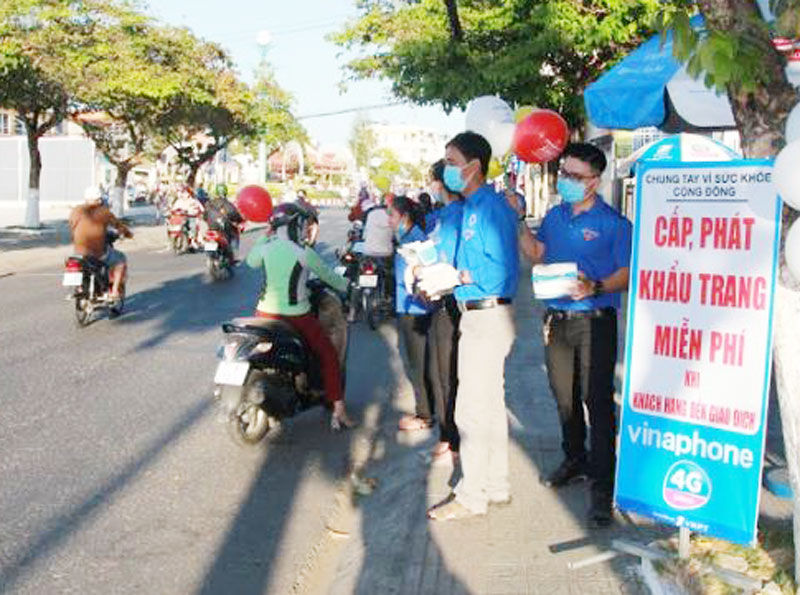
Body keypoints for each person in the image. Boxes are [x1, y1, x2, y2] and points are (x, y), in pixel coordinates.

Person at [514, 142, 632, 527]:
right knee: (564, 397)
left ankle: (603, 484)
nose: (565, 181)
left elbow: (628, 273)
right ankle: (575, 459)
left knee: (596, 401)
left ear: (595, 181)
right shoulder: (555, 215)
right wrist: (518, 221)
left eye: (574, 176)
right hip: (558, 320)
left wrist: (595, 287)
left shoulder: (614, 224)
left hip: (595, 320)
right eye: (563, 173)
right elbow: (537, 252)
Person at [426, 132, 519, 521]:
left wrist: (456, 276)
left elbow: (496, 268)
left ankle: (472, 495)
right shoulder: (473, 207)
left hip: (486, 314)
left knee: (471, 411)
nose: (446, 169)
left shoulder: (487, 208)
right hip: (480, 314)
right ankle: (495, 485)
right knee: (490, 407)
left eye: (450, 161)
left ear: (473, 166)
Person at [245, 202, 354, 429]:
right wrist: (350, 286)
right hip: (296, 316)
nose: (305, 230)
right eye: (303, 225)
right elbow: (330, 278)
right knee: (328, 356)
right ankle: (338, 409)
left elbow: (250, 262)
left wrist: (264, 237)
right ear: (294, 226)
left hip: (263, 314)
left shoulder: (266, 248)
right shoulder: (304, 253)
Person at [424, 159, 463, 463]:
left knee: (449, 374)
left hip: (454, 301)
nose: (431, 187)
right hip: (436, 300)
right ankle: (447, 433)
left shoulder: (462, 215)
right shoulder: (439, 216)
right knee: (439, 372)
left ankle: (453, 438)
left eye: (432, 180)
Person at [389, 196, 437, 432]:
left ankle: (425, 414)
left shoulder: (415, 240)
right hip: (407, 307)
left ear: (404, 217)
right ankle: (428, 409)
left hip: (416, 310)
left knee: (419, 365)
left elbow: (426, 271)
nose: (389, 220)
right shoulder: (406, 237)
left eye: (392, 216)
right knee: (420, 363)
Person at [69, 186, 133, 302]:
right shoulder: (103, 211)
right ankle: (114, 292)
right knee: (120, 260)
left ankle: (79, 287)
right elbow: (118, 225)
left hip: (78, 252)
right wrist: (128, 234)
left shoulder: (76, 210)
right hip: (97, 253)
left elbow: (72, 226)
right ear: (99, 200)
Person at [204, 189, 244, 258]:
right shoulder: (227, 204)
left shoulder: (209, 203)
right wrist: (239, 220)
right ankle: (232, 254)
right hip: (223, 227)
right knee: (233, 234)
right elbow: (233, 213)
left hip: (212, 227)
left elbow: (204, 215)